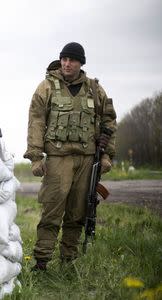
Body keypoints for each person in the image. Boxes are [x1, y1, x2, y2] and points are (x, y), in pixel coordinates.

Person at [24, 42, 117, 270]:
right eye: (64, 59)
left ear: (80, 63)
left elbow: (109, 122)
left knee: (78, 212)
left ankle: (68, 261)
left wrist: (107, 156)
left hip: (87, 159)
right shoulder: (46, 87)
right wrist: (36, 156)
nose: (67, 64)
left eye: (72, 60)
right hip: (58, 158)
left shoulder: (95, 89)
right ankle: (42, 262)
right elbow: (36, 121)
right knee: (52, 211)